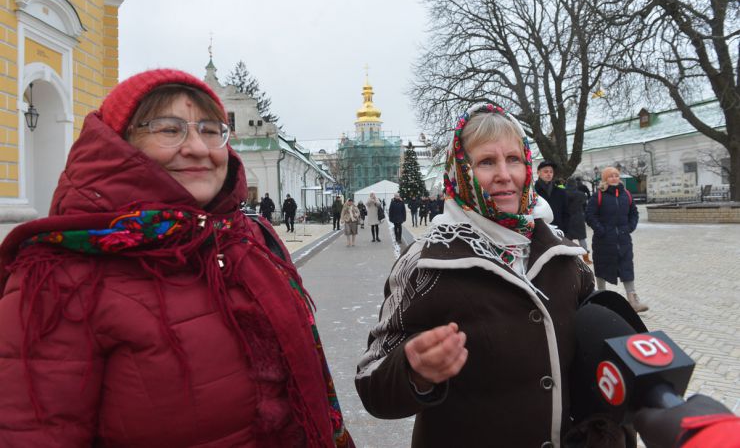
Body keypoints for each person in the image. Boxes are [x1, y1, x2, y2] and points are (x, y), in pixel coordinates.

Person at [0, 69, 353, 447]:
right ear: (119, 145)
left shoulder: (248, 241)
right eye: (169, 130)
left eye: (210, 129)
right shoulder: (59, 276)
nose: (198, 148)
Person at [356, 103, 603, 447]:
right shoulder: (428, 263)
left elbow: (596, 355)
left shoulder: (563, 253)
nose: (505, 174)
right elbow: (371, 381)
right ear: (459, 172)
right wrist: (413, 371)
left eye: (514, 159)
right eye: (487, 162)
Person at [585, 166, 648, 313]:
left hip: (623, 239)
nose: (614, 178)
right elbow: (590, 215)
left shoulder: (626, 194)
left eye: (616, 175)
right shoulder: (598, 195)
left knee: (627, 267)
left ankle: (633, 300)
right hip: (604, 241)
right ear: (605, 179)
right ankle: (601, 297)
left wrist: (630, 227)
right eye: (610, 176)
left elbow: (634, 213)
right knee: (601, 268)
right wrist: (601, 230)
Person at [534, 160, 570, 232]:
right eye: (546, 171)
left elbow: (566, 213)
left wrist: (565, 232)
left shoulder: (561, 192)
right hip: (539, 233)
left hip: (559, 232)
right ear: (538, 173)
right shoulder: (533, 192)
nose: (549, 174)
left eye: (551, 172)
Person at [565, 177, 592, 264]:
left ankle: (570, 259)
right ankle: (586, 258)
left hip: (567, 218)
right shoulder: (581, 195)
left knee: (568, 240)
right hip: (579, 217)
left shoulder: (563, 194)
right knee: (582, 239)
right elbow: (585, 205)